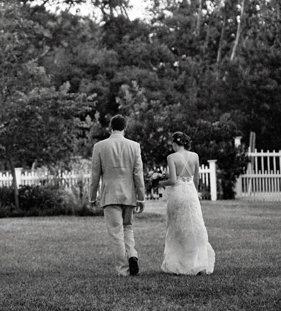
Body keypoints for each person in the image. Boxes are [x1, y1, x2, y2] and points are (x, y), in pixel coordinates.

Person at [89, 115, 147, 276]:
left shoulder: (100, 146)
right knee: (128, 227)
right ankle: (132, 254)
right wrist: (141, 197)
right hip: (129, 195)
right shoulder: (134, 146)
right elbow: (138, 174)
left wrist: (92, 197)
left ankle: (123, 269)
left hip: (110, 195)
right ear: (125, 127)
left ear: (110, 127)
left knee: (116, 232)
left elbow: (95, 175)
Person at [159, 132, 215, 275]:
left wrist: (159, 183)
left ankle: (180, 263)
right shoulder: (195, 156)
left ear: (174, 143)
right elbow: (196, 179)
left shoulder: (171, 157)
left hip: (177, 193)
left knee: (177, 227)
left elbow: (172, 180)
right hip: (191, 192)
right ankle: (199, 261)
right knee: (195, 226)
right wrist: (194, 192)